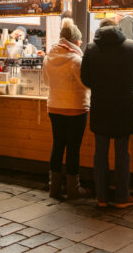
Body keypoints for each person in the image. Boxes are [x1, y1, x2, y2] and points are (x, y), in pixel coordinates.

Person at [81, 18, 133, 209]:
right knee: (122, 152)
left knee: (100, 152)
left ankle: (101, 198)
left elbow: (85, 78)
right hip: (123, 106)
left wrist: (100, 86)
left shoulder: (91, 48)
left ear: (100, 30)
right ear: (117, 28)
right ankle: (122, 197)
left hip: (100, 106)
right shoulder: (131, 46)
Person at [43, 19, 90, 200]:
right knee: (73, 149)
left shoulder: (49, 57)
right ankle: (73, 188)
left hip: (54, 107)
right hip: (76, 109)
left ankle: (54, 188)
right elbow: (85, 83)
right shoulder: (76, 60)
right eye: (79, 41)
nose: (80, 43)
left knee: (57, 146)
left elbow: (46, 82)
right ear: (73, 41)